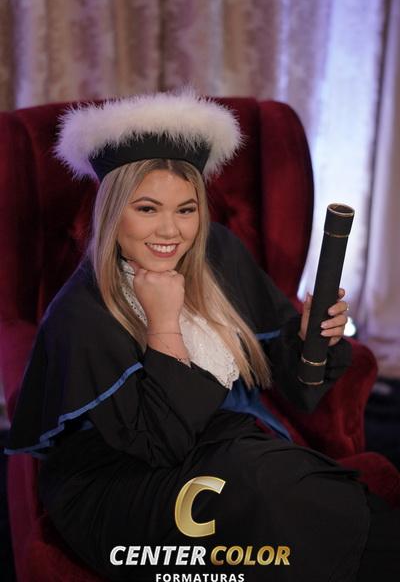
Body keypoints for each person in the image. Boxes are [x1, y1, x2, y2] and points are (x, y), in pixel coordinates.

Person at [4, 89, 399, 582]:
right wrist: (164, 323)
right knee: (267, 489)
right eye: (147, 208)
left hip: (220, 447)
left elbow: (300, 387)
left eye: (186, 210)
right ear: (113, 213)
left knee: (296, 491)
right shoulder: (80, 310)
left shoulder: (217, 254)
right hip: (118, 484)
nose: (170, 231)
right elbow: (160, 447)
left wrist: (311, 338)